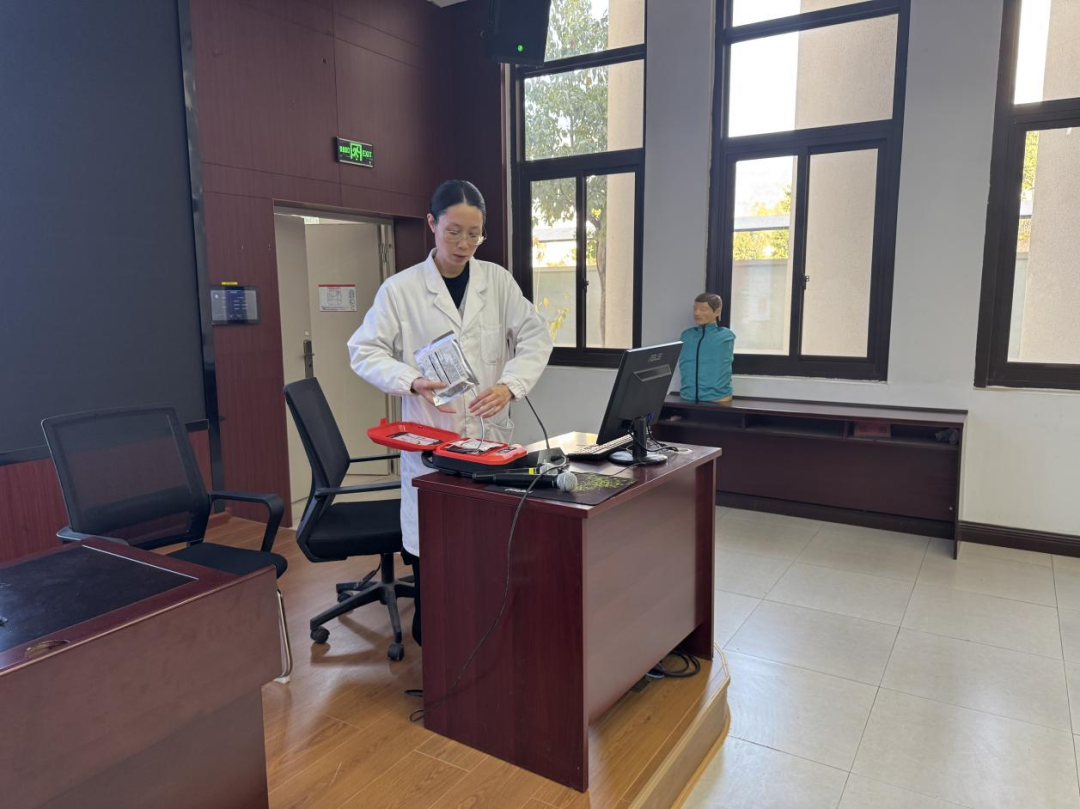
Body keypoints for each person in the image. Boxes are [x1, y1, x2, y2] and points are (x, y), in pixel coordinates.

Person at [347, 180, 553, 645]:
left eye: (474, 234)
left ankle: (488, 643)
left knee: (488, 554)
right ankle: (439, 650)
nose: (464, 244)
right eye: (454, 232)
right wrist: (411, 380)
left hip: (488, 439)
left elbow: (536, 337)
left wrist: (510, 385)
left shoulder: (497, 282)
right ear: (431, 224)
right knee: (437, 562)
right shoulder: (400, 290)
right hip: (431, 438)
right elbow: (363, 351)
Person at [679, 293, 735, 404]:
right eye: (695, 309)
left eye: (703, 309)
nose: (696, 313)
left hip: (718, 398)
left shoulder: (725, 336)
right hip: (687, 397)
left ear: (717, 312)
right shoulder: (686, 336)